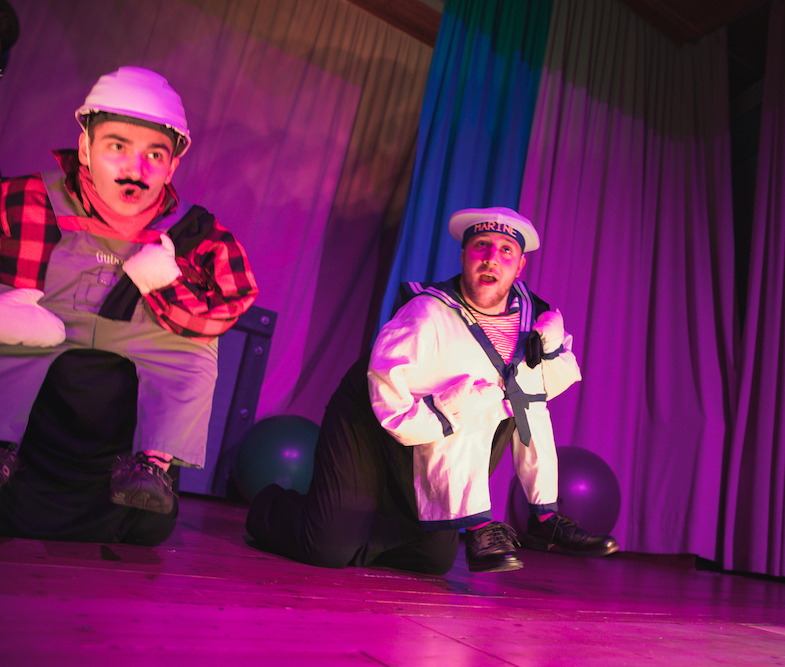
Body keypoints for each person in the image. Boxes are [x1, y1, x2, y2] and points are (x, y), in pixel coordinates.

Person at [246, 206, 617, 574]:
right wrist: (455, 410)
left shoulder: (534, 319)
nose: (491, 258)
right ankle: (272, 508)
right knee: (326, 548)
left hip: (438, 429)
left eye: (506, 250)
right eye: (481, 246)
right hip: (372, 417)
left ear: (520, 266)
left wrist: (550, 347)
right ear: (464, 255)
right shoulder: (425, 314)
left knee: (433, 560)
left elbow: (540, 395)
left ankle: (358, 533)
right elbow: (393, 406)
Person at [0, 66, 258, 517]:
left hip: (141, 343)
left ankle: (150, 467)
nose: (135, 170)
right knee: (11, 336)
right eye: (117, 147)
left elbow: (233, 299)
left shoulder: (192, 231)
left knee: (196, 353)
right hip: (47, 326)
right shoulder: (31, 197)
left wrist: (167, 284)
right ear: (85, 148)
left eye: (154, 155)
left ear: (173, 165)